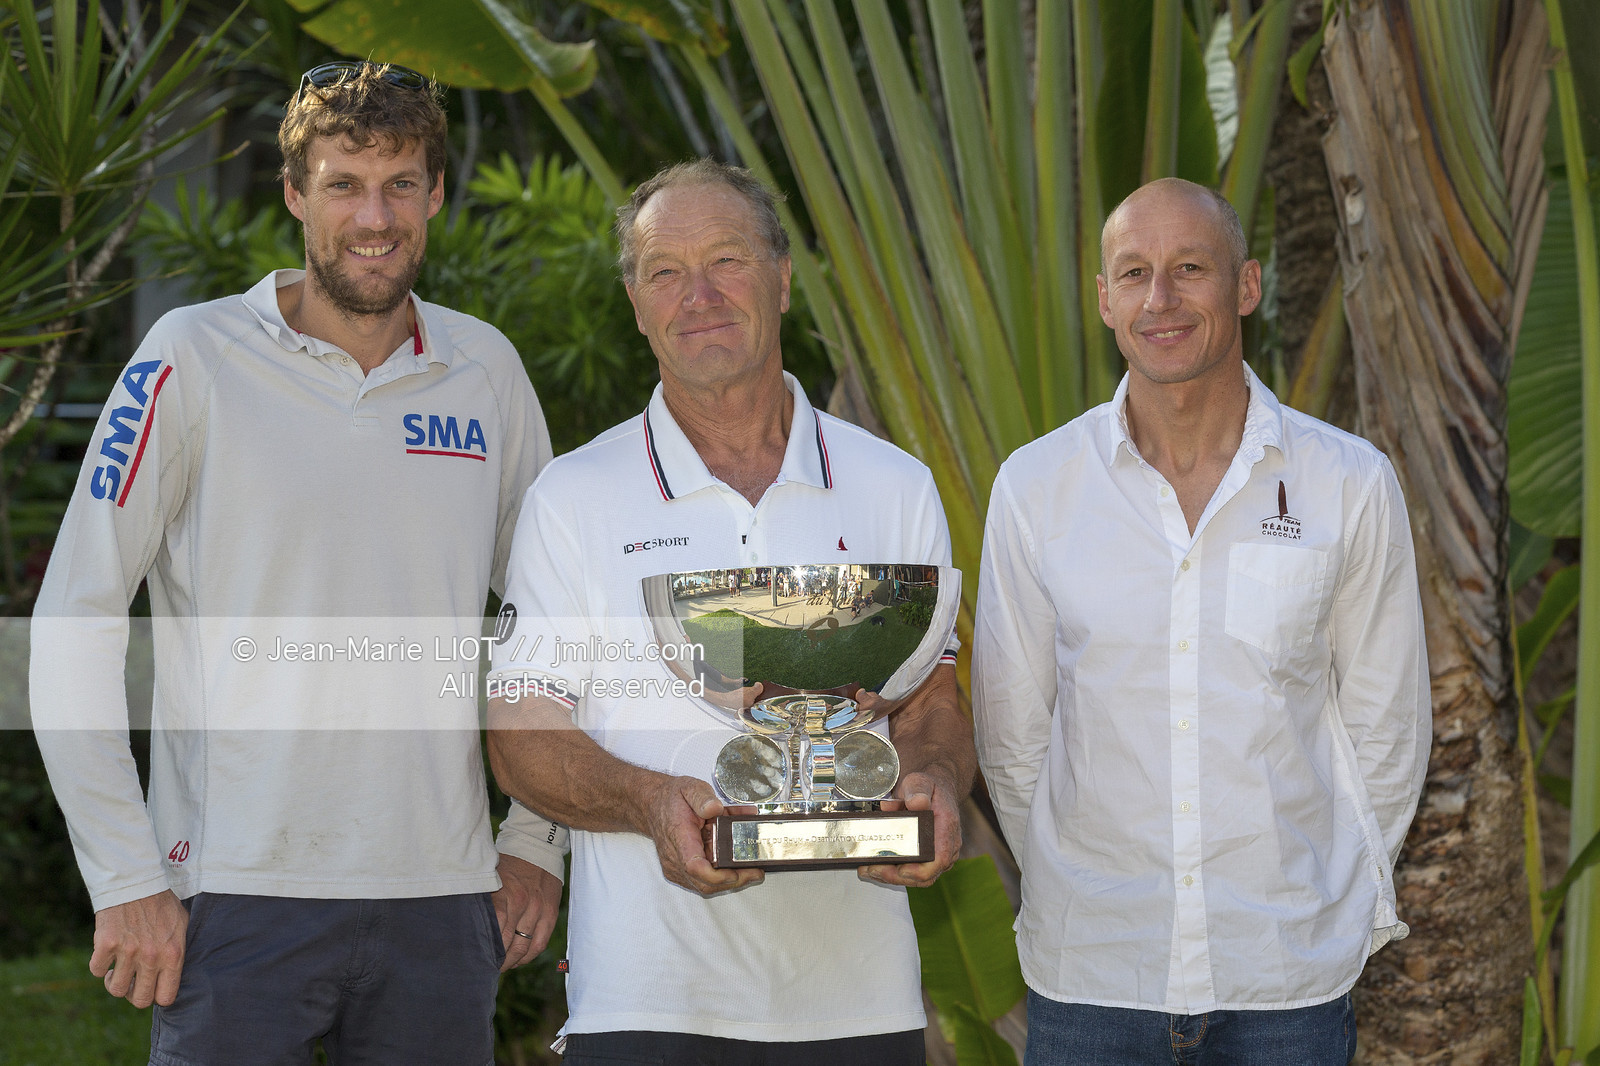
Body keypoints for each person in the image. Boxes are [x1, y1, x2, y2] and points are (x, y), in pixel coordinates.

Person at [30, 61, 565, 1064]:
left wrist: (535, 839)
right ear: (293, 195)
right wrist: (124, 874)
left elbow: (553, 622)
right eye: (343, 185)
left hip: (441, 901)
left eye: (401, 183)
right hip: (233, 894)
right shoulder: (189, 358)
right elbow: (75, 617)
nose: (376, 216)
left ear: (437, 194)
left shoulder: (485, 369)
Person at [485, 159, 975, 1066]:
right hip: (645, 1003)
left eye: (727, 260)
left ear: (783, 280)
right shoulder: (574, 496)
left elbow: (932, 696)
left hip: (859, 1005)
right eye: (665, 272)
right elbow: (520, 735)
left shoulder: (892, 483)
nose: (698, 295)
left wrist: (937, 782)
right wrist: (648, 803)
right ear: (636, 304)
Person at [972, 177, 1430, 1064]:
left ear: (1247, 285)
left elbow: (1388, 724)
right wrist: (1080, 884)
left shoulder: (1348, 482)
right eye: (1134, 273)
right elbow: (1015, 734)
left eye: (1191, 268)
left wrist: (1326, 903)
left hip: (1286, 981)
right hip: (1093, 982)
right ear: (1104, 300)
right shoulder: (1036, 489)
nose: (1162, 299)